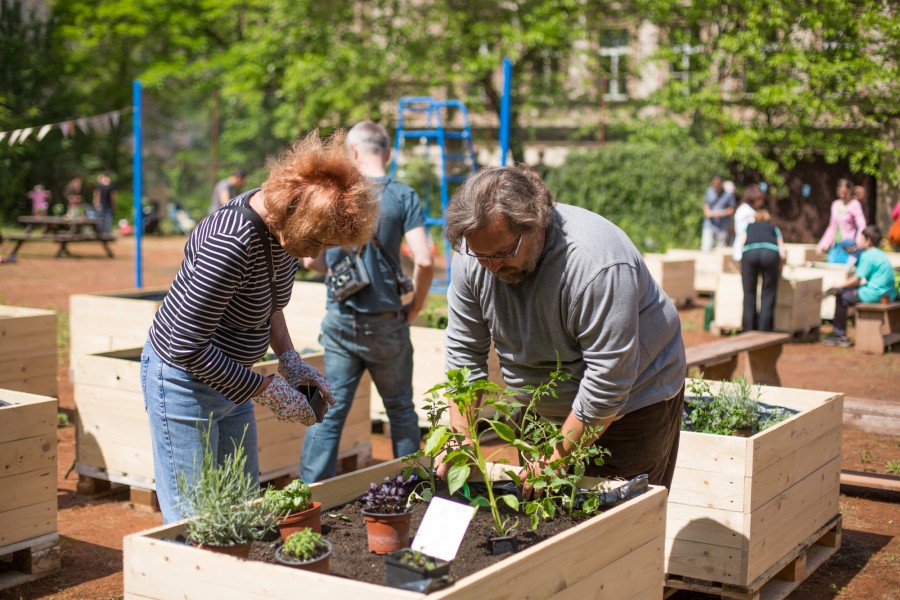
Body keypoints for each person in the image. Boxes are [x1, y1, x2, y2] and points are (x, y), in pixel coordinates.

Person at [141, 131, 380, 523]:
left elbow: (269, 305)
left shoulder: (284, 230)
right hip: (183, 382)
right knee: (196, 518)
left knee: (240, 504)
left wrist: (290, 360)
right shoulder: (231, 241)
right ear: (295, 211)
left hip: (232, 380)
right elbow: (186, 345)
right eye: (318, 240)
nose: (316, 253)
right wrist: (267, 390)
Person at [438, 166, 686, 491]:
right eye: (480, 254)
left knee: (619, 528)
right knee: (539, 520)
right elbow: (463, 353)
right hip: (540, 401)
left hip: (633, 402)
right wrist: (462, 434)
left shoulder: (594, 264)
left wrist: (556, 457)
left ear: (537, 224)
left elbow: (609, 380)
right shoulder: (474, 256)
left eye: (502, 253)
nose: (491, 265)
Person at [299, 121, 434, 483]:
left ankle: (312, 499)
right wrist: (414, 308)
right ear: (386, 153)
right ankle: (412, 492)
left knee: (325, 411)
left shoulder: (337, 193)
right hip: (388, 322)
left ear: (353, 152)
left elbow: (312, 261)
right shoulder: (404, 195)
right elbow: (423, 259)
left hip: (340, 322)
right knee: (401, 411)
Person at [822, 225, 898, 348]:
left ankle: (839, 335)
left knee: (842, 296)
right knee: (848, 292)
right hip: (888, 294)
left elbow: (857, 279)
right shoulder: (880, 254)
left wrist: (838, 285)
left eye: (861, 239)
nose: (859, 242)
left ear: (868, 241)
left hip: (875, 294)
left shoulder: (867, 255)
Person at [734, 208, 786, 332]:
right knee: (768, 294)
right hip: (770, 254)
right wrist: (780, 268)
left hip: (749, 253)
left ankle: (748, 329)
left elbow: (740, 247)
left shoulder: (748, 227)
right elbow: (783, 253)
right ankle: (765, 330)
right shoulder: (774, 228)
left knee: (749, 294)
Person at [816, 178, 866, 264]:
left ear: (850, 191)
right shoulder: (835, 205)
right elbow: (832, 226)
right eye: (840, 192)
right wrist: (823, 244)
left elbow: (862, 224)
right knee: (831, 263)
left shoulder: (855, 204)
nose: (842, 195)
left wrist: (859, 241)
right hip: (836, 244)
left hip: (848, 244)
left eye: (845, 192)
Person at [701, 173, 736, 250]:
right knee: (706, 248)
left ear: (722, 183)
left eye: (718, 183)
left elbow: (732, 210)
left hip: (723, 226)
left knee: (720, 249)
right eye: (714, 183)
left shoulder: (728, 194)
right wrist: (708, 213)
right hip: (709, 224)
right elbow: (705, 205)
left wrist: (719, 213)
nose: (716, 185)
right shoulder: (709, 192)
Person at [731, 184, 763, 262]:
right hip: (745, 247)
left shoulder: (746, 210)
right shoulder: (746, 211)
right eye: (759, 199)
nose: (761, 202)